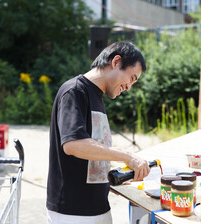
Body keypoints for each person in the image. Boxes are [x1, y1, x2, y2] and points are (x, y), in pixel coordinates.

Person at [46, 41, 150, 224]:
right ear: (116, 62)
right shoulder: (75, 91)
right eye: (132, 78)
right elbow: (74, 145)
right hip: (73, 212)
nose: (129, 87)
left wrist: (108, 178)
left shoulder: (97, 96)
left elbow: (92, 152)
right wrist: (126, 155)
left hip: (96, 207)